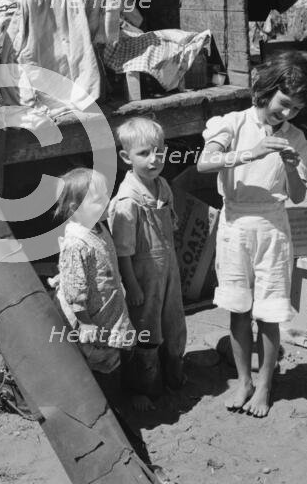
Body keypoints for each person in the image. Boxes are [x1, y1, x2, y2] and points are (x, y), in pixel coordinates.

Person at [197, 52, 307, 417]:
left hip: (272, 230)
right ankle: (244, 380)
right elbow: (205, 162)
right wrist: (249, 154)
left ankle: (265, 385)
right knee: (238, 308)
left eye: (295, 109)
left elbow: (298, 196)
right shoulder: (232, 123)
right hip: (235, 227)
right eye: (283, 104)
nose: (286, 115)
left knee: (268, 313)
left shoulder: (299, 141)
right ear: (266, 90)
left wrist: (293, 169)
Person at [108, 117, 187, 411]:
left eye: (159, 151)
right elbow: (122, 252)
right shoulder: (128, 201)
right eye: (144, 153)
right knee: (147, 328)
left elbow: (171, 223)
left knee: (173, 321)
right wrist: (133, 285)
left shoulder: (163, 186)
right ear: (127, 157)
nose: (154, 160)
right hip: (143, 277)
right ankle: (148, 386)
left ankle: (174, 374)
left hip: (168, 271)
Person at [50, 167, 136, 396]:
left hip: (106, 307)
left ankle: (120, 397)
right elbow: (74, 288)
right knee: (97, 361)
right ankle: (106, 410)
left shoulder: (97, 227)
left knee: (112, 353)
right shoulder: (76, 243)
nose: (106, 202)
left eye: (106, 195)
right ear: (74, 208)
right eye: (97, 200)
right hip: (91, 317)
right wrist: (85, 322)